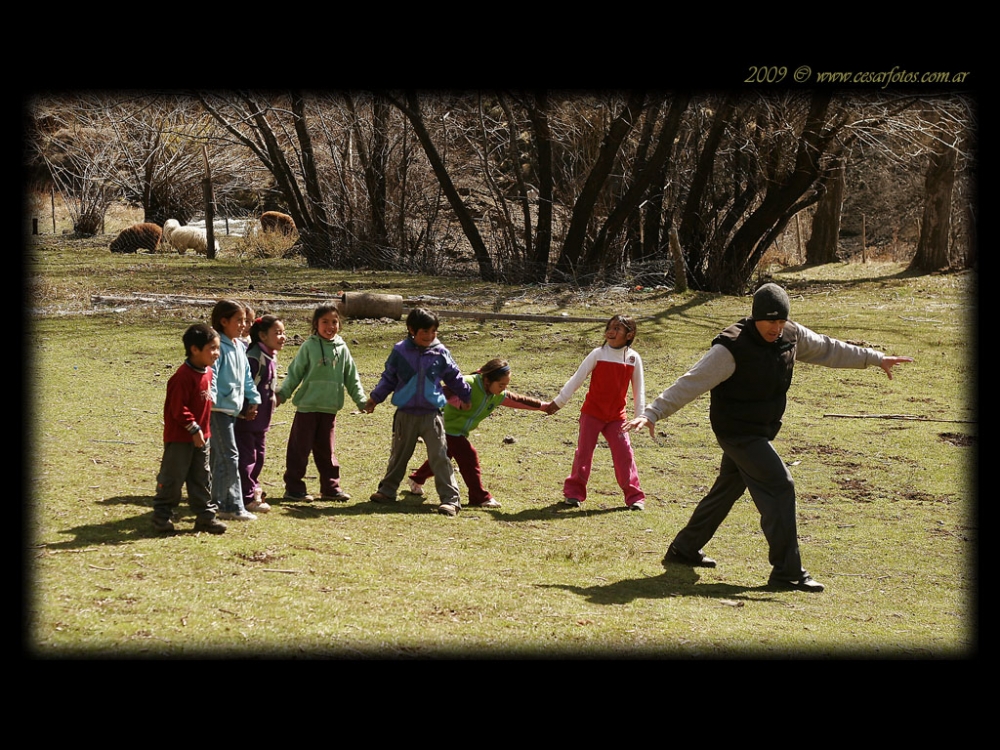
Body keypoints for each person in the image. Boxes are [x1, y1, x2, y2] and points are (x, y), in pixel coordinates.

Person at [623, 283, 914, 592]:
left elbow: (829, 349)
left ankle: (684, 548)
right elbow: (692, 382)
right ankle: (787, 572)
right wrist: (653, 412)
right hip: (737, 432)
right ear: (755, 317)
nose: (776, 328)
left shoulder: (792, 334)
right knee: (780, 486)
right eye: (770, 321)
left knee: (728, 488)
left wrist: (874, 357)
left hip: (760, 429)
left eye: (781, 321)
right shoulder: (730, 347)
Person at [363, 307, 472, 517]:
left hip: (432, 415)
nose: (430, 337)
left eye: (434, 332)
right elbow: (389, 378)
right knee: (399, 455)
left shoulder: (440, 352)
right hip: (405, 414)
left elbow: (454, 377)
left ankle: (450, 500)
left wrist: (465, 396)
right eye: (425, 332)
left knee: (439, 456)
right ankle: (387, 491)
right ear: (412, 330)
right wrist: (375, 398)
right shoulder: (400, 351)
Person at [407, 359, 551, 508]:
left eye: (506, 385)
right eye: (501, 385)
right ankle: (479, 496)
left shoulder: (497, 395)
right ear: (487, 380)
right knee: (469, 457)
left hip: (458, 431)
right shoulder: (467, 383)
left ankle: (416, 479)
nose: (503, 389)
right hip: (444, 427)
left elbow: (517, 400)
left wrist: (543, 406)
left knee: (443, 457)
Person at [545, 314, 648, 510]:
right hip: (592, 414)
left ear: (630, 334)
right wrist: (559, 402)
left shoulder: (634, 358)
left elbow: (638, 389)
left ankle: (634, 497)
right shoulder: (597, 354)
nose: (611, 331)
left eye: (617, 328)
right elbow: (577, 379)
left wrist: (640, 416)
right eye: (609, 327)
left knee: (624, 454)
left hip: (617, 418)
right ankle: (573, 494)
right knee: (583, 453)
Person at [277, 303, 367, 502]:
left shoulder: (342, 348)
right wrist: (282, 394)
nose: (330, 326)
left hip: (329, 409)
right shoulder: (309, 346)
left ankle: (331, 488)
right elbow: (294, 373)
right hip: (307, 408)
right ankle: (294, 488)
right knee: (299, 450)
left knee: (327, 452)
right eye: (325, 322)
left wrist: (361, 401)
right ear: (315, 324)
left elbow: (351, 377)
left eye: (334, 322)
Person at [151, 323, 227, 535]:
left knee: (202, 478)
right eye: (212, 348)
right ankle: (161, 516)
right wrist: (194, 429)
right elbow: (178, 408)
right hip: (181, 439)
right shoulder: (182, 377)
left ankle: (205, 518)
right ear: (195, 349)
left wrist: (203, 432)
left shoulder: (208, 372)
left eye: (217, 348)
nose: (216, 353)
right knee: (172, 478)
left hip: (203, 437)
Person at [210, 299, 262, 521]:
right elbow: (210, 374)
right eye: (238, 320)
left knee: (223, 457)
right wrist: (210, 399)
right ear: (223, 321)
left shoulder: (240, 346)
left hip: (232, 410)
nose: (243, 325)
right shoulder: (217, 346)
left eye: (245, 320)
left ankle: (217, 503)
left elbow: (247, 377)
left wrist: (254, 398)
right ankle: (231, 506)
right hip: (218, 410)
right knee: (230, 457)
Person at [235, 314, 286, 513]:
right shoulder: (254, 357)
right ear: (263, 336)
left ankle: (253, 489)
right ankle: (246, 497)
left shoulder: (270, 355)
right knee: (247, 457)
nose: (283, 337)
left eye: (283, 333)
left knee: (259, 456)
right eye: (278, 333)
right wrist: (245, 410)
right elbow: (244, 386)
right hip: (247, 419)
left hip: (262, 421)